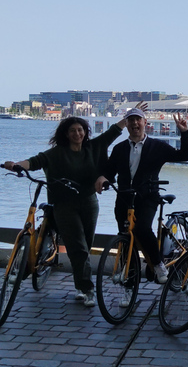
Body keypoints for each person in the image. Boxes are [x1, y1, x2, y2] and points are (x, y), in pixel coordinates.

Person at [2, 112, 135, 306]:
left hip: (89, 203)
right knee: (79, 248)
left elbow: (112, 132)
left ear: (85, 132)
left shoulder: (93, 147)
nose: (77, 133)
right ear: (65, 134)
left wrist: (128, 117)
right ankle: (88, 290)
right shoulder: (56, 153)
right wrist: (15, 165)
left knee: (85, 246)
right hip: (64, 204)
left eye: (80, 130)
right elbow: (33, 162)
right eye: (72, 130)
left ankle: (79, 286)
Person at [95, 109, 188, 284]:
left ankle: (157, 263)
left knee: (142, 229)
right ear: (127, 125)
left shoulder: (158, 146)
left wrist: (184, 132)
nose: (134, 124)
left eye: (138, 120)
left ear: (145, 123)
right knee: (125, 239)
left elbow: (184, 156)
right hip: (124, 198)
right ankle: (129, 285)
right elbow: (109, 172)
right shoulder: (119, 148)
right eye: (130, 120)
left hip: (147, 197)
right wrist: (102, 177)